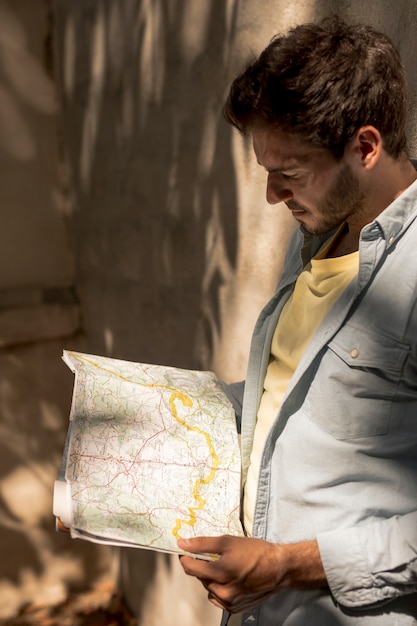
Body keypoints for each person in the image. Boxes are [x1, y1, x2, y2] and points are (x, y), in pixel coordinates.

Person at [177, 16, 417, 626]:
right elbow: (288, 400)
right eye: (266, 172)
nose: (271, 196)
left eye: (289, 173)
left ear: (365, 147)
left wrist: (286, 564)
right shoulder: (314, 232)